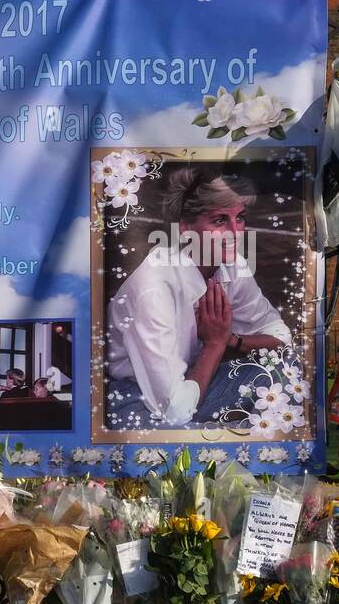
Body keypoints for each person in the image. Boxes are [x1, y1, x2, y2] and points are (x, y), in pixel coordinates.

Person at [105, 169, 291, 430]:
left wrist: (231, 340)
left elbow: (280, 336)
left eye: (239, 218)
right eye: (219, 221)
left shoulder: (232, 266)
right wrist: (215, 345)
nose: (235, 232)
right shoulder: (154, 288)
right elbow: (174, 411)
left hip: (191, 383)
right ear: (185, 228)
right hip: (135, 397)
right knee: (191, 442)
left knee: (284, 369)